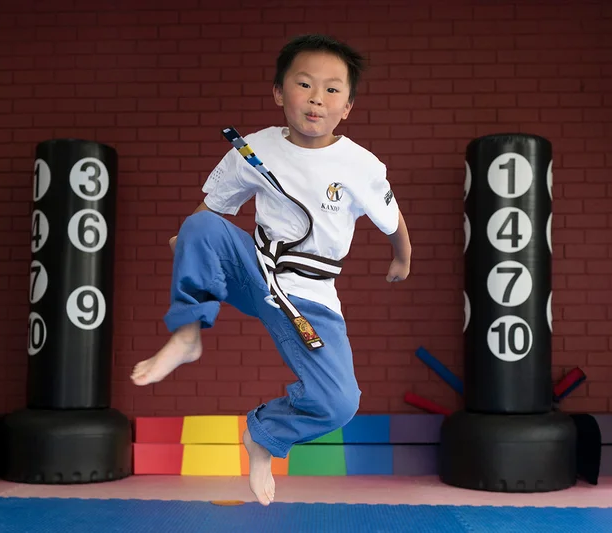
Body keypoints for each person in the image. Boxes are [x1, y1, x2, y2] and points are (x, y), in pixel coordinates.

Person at [131, 33, 411, 505]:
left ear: (347, 107)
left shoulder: (360, 165)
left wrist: (403, 256)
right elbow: (211, 209)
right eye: (304, 84)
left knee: (339, 403)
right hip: (256, 271)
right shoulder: (254, 149)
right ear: (279, 93)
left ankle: (264, 435)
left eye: (332, 89)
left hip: (311, 299)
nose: (317, 98)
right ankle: (187, 335)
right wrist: (193, 244)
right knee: (198, 225)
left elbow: (393, 218)